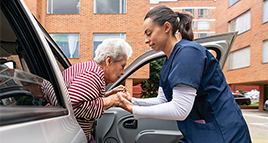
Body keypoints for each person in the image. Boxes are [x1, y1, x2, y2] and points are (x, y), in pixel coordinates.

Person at [117, 5, 251, 143]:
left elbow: (180, 109)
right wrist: (131, 100)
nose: (146, 40)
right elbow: (162, 101)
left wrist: (133, 109)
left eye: (149, 33)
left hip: (224, 133)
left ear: (166, 27)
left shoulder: (188, 53)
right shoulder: (168, 61)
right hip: (200, 133)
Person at [62, 38, 132, 143]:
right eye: (122, 66)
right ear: (109, 61)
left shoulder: (91, 69)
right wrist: (111, 100)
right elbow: (72, 106)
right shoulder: (92, 75)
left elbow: (87, 97)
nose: (123, 72)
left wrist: (109, 94)